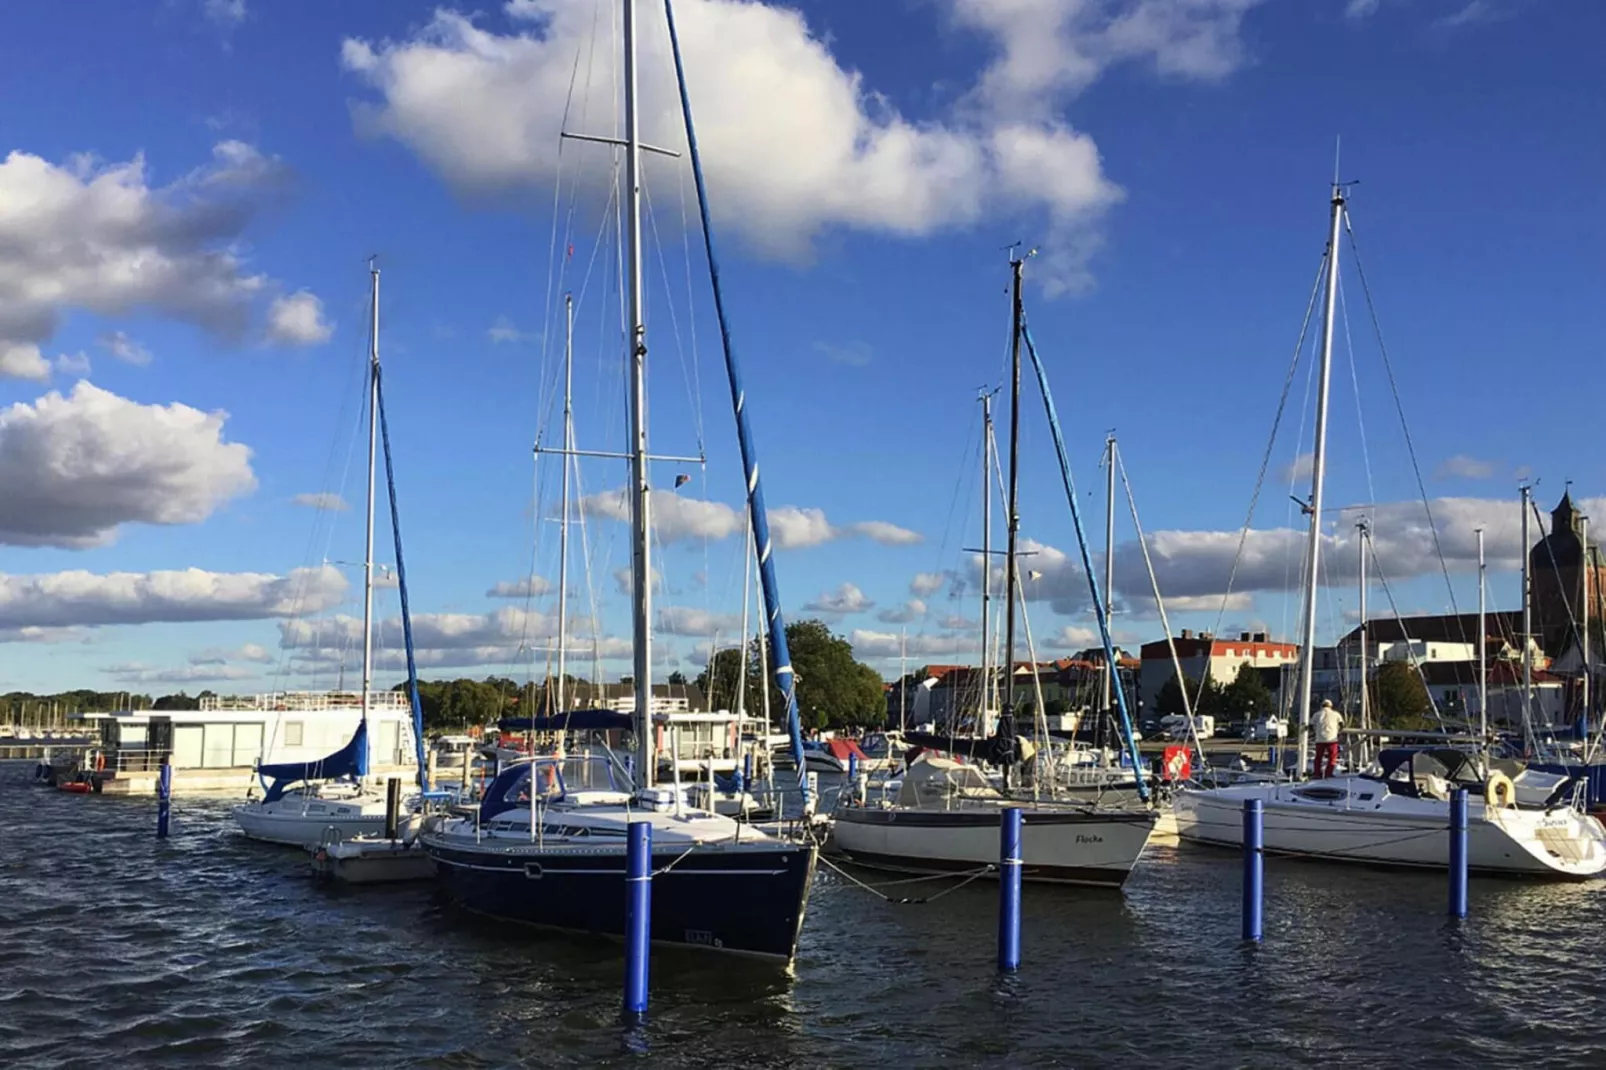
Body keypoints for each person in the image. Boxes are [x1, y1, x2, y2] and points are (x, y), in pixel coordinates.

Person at [1311, 699, 1343, 779]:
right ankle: (1328, 773)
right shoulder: (1336, 714)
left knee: (1318, 757)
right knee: (1332, 757)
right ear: (1331, 706)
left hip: (1320, 738)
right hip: (1332, 739)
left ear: (1322, 706)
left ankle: (1317, 774)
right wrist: (1338, 731)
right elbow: (1341, 724)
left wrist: (1315, 731)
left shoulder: (1316, 714)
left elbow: (1311, 725)